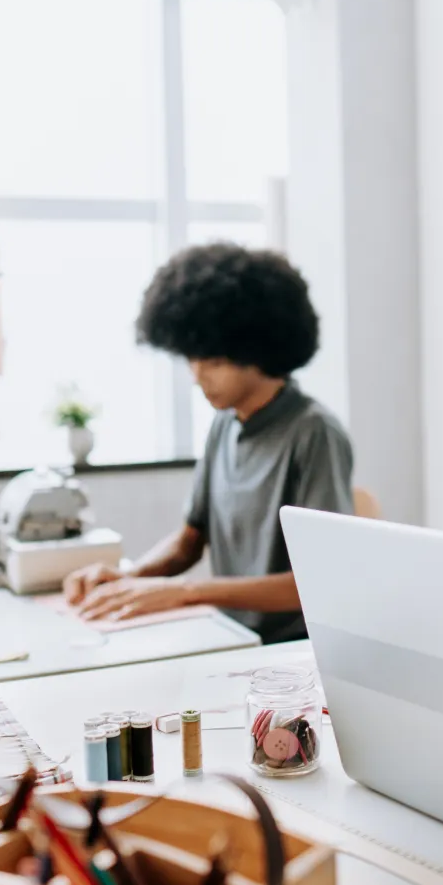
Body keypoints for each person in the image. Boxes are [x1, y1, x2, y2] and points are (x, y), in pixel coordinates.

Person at [64, 244, 354, 644]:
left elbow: (321, 583)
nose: (198, 377)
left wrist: (184, 593)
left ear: (259, 351)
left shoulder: (313, 432)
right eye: (191, 360)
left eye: (214, 362)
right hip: (227, 636)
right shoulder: (223, 424)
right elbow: (188, 542)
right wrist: (128, 577)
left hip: (289, 652)